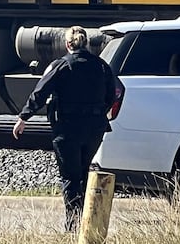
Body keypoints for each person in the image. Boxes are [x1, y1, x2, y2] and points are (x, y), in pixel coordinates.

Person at [13, 25, 117, 232]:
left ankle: (72, 226)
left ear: (67, 44)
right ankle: (90, 224)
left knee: (70, 177)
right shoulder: (102, 66)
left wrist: (24, 117)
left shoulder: (60, 66)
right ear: (85, 43)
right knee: (86, 172)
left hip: (67, 129)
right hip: (94, 129)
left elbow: (40, 92)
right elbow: (112, 94)